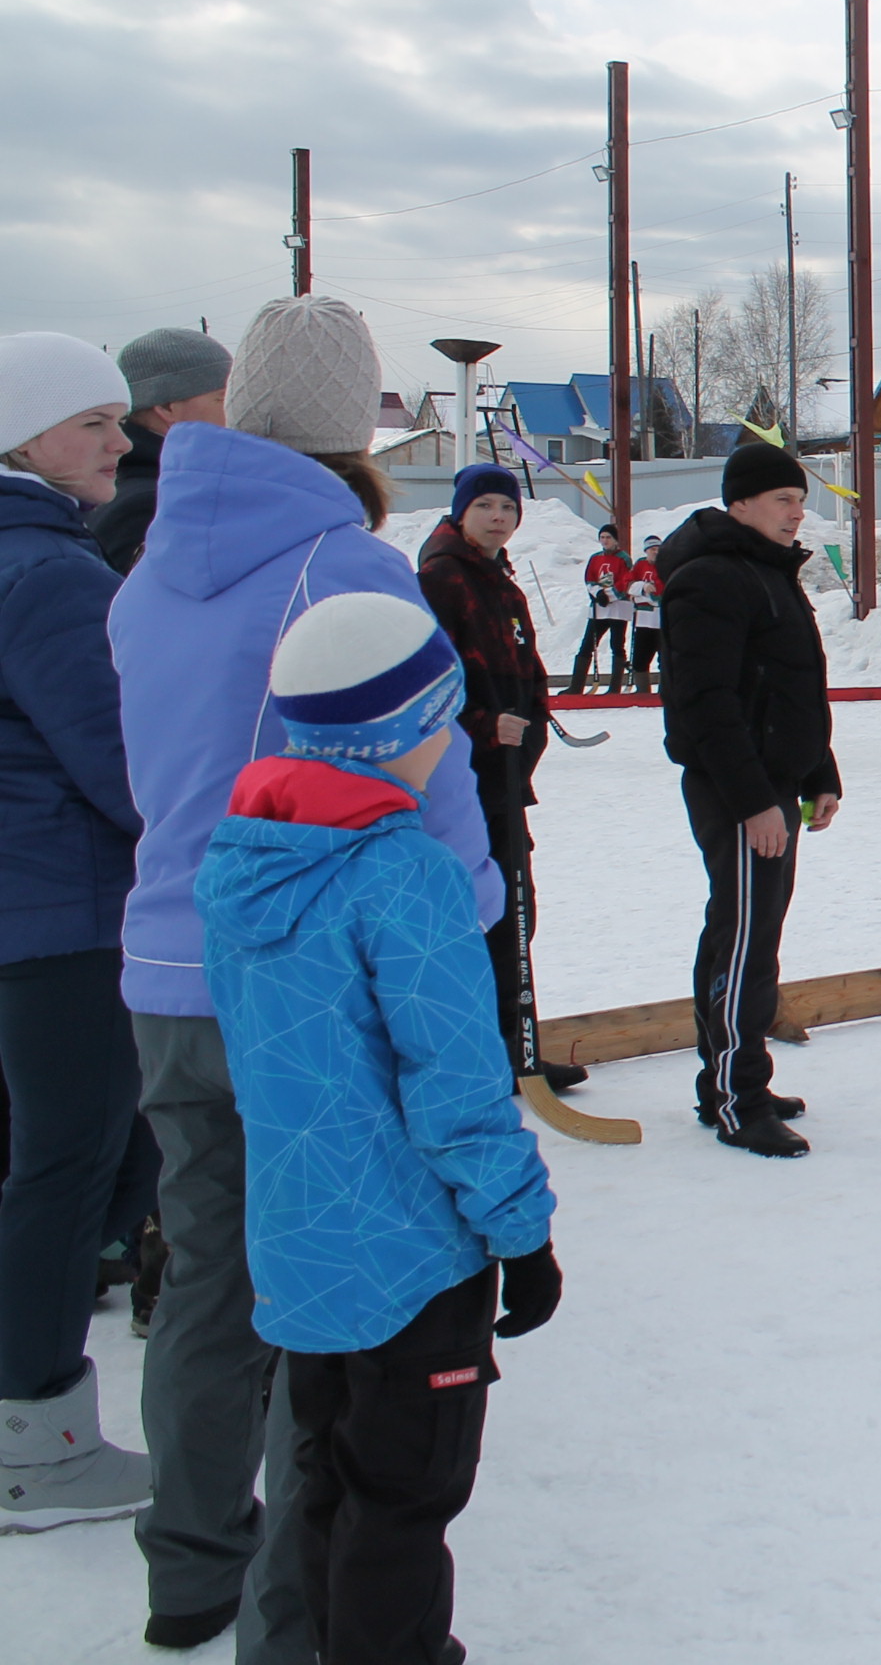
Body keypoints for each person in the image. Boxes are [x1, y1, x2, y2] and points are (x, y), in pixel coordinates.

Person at [109, 291, 503, 1656]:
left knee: (207, 1278)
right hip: (306, 994)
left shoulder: (152, 568)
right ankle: (295, 1625)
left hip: (169, 965)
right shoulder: (348, 568)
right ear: (357, 421)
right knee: (325, 1302)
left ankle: (188, 1569)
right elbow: (428, 801)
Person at [196, 593, 560, 1665]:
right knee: (405, 1496)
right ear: (402, 730)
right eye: (440, 718)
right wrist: (521, 1231)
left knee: (325, 1480)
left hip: (302, 1244)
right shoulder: (406, 876)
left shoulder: (243, 859)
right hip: (412, 1258)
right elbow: (455, 1087)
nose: (451, 738)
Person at [0, 335, 153, 1534]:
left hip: (26, 900)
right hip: (67, 908)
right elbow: (117, 759)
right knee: (72, 1163)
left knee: (43, 1160)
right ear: (25, 437)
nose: (120, 439)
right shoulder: (51, 573)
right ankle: (36, 1443)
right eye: (94, 421)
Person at [658, 444, 842, 1154]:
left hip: (776, 786)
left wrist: (819, 772)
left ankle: (736, 1081)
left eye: (799, 500)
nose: (798, 513)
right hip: (741, 792)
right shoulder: (709, 581)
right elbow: (705, 707)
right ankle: (738, 1099)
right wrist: (753, 801)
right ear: (740, 504)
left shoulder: (767, 572)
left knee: (750, 934)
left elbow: (793, 688)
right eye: (781, 501)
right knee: (743, 946)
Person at [412, 463, 583, 1093]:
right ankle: (479, 1052)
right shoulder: (441, 579)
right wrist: (485, 725)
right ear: (461, 512)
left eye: (507, 508)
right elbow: (428, 680)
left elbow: (526, 669)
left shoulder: (501, 583)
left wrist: (532, 724)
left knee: (516, 911)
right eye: (484, 505)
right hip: (463, 782)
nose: (498, 517)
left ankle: (516, 1045)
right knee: (483, 915)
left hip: (507, 781)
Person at [91, 327, 230, 576]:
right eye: (221, 398)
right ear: (167, 407)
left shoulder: (132, 486)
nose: (232, 410)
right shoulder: (149, 505)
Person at [567, 524, 631, 695]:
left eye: (608, 537)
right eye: (602, 537)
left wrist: (609, 595)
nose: (605, 541)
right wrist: (597, 593)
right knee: (587, 645)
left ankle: (614, 687)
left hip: (618, 608)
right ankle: (576, 686)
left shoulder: (623, 558)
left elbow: (625, 581)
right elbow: (589, 579)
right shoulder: (595, 558)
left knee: (617, 645)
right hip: (599, 608)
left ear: (615, 539)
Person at [625, 535, 665, 694]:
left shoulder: (665, 565)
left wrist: (644, 595)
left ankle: (665, 690)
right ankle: (642, 691)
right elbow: (628, 585)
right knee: (640, 657)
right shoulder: (640, 565)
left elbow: (661, 591)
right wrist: (642, 588)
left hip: (661, 618)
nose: (655, 552)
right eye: (652, 549)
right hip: (643, 619)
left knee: (664, 657)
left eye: (657, 549)